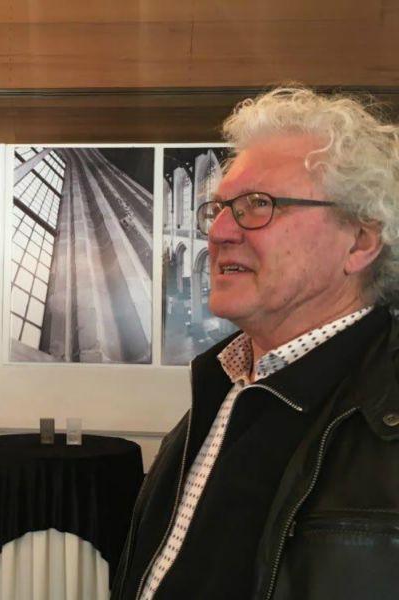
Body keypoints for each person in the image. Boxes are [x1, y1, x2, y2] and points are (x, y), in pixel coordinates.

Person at [112, 86, 399, 600]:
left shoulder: (384, 416)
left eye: (259, 205)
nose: (220, 232)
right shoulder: (224, 384)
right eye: (220, 208)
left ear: (359, 241)